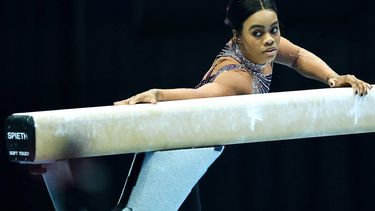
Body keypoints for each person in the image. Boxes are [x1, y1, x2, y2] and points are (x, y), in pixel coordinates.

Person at [113, 0, 372, 210]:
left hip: (193, 154)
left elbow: (297, 56)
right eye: (258, 33)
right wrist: (158, 94)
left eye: (274, 29)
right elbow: (201, 95)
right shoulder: (238, 78)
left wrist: (332, 77)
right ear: (237, 36)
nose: (270, 40)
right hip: (176, 154)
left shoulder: (263, 47)